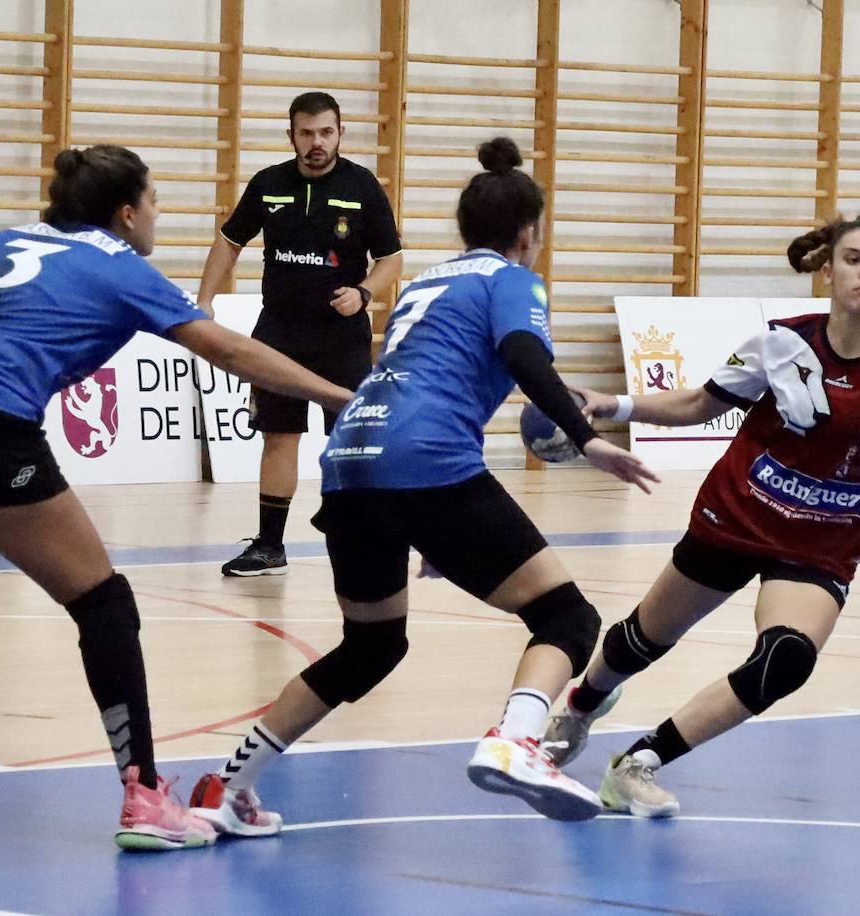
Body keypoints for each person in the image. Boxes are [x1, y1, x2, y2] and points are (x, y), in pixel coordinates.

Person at [0, 145, 355, 851]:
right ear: (126, 213)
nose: (158, 217)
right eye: (155, 203)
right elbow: (228, 351)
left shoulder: (5, 241)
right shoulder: (121, 270)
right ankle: (145, 796)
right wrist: (339, 396)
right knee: (102, 602)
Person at [184, 137, 661, 837]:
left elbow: (419, 379)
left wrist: (428, 528)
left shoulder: (429, 283)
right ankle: (518, 740)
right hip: (424, 460)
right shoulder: (512, 281)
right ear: (530, 233)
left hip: (351, 460)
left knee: (370, 646)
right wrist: (585, 437)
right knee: (568, 620)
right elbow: (524, 357)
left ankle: (227, 787)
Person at [541, 213, 860, 817]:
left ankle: (639, 763)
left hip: (819, 550)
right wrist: (612, 403)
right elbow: (699, 403)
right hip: (738, 517)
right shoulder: (782, 343)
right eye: (853, 259)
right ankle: (584, 703)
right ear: (828, 271)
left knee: (786, 661)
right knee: (645, 639)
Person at [197, 91, 404, 578]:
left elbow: (391, 259)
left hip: (342, 336)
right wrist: (204, 300)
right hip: (279, 333)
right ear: (291, 135)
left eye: (326, 132)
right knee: (279, 436)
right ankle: (270, 547)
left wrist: (365, 292)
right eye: (307, 133)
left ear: (340, 133)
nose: (317, 142)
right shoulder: (269, 185)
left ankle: (359, 537)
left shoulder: (362, 186)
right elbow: (229, 242)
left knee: (350, 440)